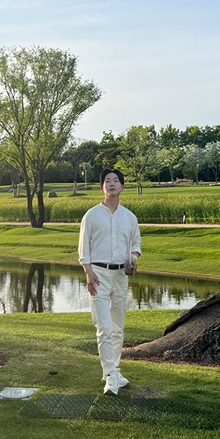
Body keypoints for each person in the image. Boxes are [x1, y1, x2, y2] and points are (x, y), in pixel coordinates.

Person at [78, 167, 141, 395]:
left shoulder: (130, 217)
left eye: (116, 180)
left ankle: (113, 369)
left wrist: (132, 260)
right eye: (107, 181)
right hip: (98, 275)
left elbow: (135, 246)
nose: (112, 183)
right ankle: (112, 377)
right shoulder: (92, 215)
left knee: (118, 328)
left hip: (120, 277)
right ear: (102, 187)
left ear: (122, 186)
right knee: (103, 327)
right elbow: (84, 247)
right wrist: (88, 270)